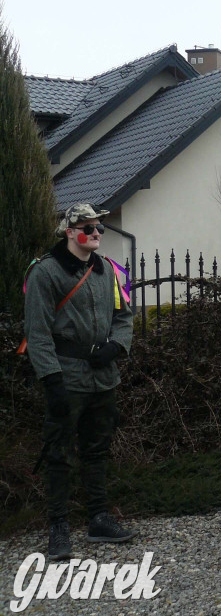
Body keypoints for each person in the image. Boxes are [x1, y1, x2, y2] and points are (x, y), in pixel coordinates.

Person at [24, 203, 136, 560]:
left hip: (103, 377)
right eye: (89, 228)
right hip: (67, 376)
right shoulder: (47, 273)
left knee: (97, 450)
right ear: (71, 232)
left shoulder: (106, 271)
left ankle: (99, 518)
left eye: (99, 228)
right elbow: (37, 333)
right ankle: (58, 527)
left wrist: (117, 346)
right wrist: (52, 380)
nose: (97, 234)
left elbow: (124, 316)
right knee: (58, 453)